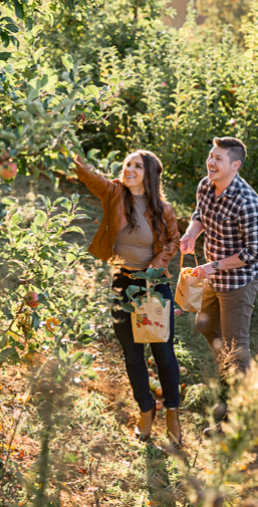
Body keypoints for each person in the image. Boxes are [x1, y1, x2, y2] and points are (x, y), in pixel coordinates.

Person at [67, 149, 183, 445]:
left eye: (137, 166)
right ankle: (146, 408)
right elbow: (92, 178)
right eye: (127, 164)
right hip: (123, 283)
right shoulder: (115, 194)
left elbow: (173, 240)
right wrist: (72, 155)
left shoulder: (163, 209)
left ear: (150, 174)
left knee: (163, 353)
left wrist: (155, 269)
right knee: (132, 353)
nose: (129, 169)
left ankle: (172, 411)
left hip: (153, 286)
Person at [181, 137, 258, 400]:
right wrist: (191, 234)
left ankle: (237, 413)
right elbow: (199, 216)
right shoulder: (206, 186)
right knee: (205, 325)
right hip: (212, 276)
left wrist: (213, 266)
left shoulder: (247, 202)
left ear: (235, 165)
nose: (211, 162)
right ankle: (234, 373)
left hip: (239, 282)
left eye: (218, 158)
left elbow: (254, 252)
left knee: (235, 347)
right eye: (211, 156)